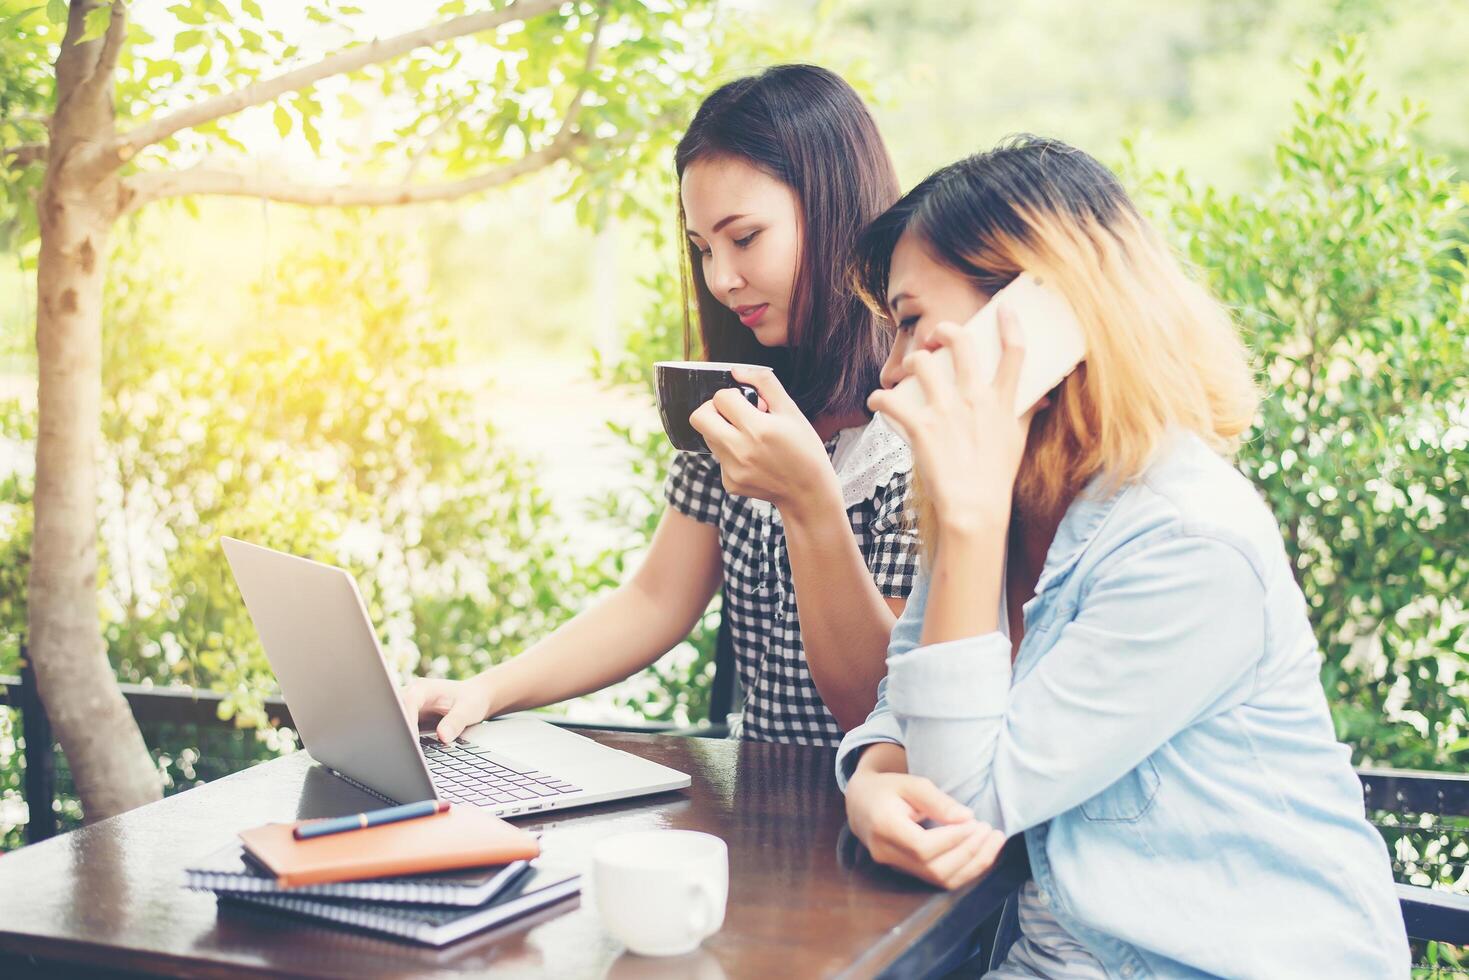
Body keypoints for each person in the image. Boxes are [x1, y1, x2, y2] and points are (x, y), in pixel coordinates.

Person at [837, 136, 1409, 976]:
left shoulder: (1187, 541)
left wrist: (966, 521)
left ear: (1037, 315)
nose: (887, 371)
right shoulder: (1006, 493)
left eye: (911, 322)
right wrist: (873, 781)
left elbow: (968, 802)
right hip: (1061, 954)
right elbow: (904, 697)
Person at [403, 65, 917, 747]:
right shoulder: (738, 396)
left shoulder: (913, 425)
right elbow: (655, 598)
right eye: (702, 249)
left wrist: (806, 500)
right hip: (756, 809)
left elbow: (881, 705)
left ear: (833, 212)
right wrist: (485, 690)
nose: (720, 279)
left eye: (744, 238)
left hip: (872, 817)